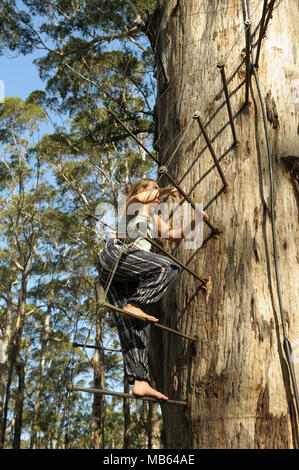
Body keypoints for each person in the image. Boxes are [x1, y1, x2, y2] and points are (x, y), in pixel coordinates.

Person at [98, 178, 208, 401]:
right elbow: (138, 199)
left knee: (135, 323)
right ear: (143, 189)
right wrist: (167, 190)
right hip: (116, 255)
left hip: (127, 272)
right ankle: (134, 304)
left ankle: (140, 381)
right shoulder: (133, 206)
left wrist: (196, 220)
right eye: (155, 189)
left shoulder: (153, 218)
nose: (159, 194)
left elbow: (176, 235)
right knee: (167, 267)